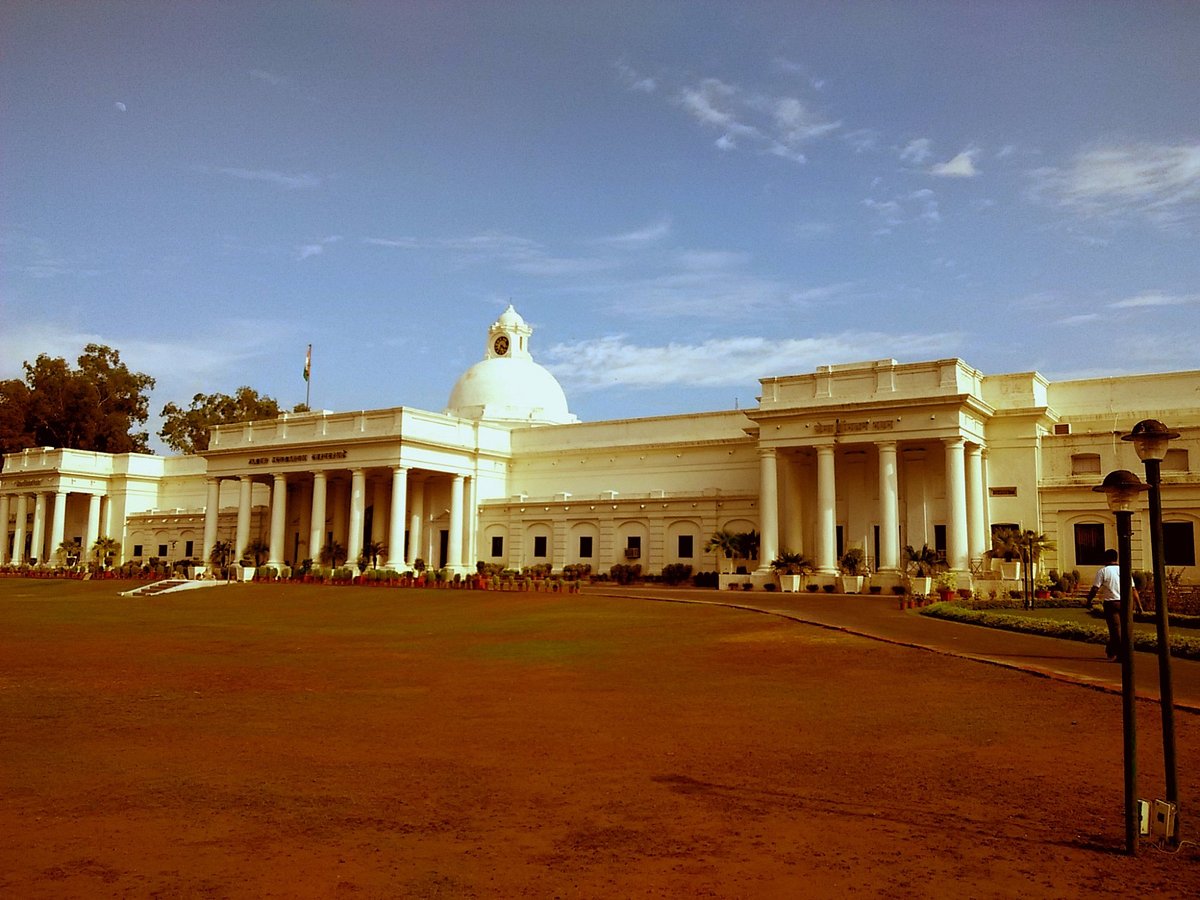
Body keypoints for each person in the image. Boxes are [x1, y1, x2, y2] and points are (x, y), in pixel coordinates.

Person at [1086, 548, 1139, 660]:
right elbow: (1133, 589)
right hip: (1126, 603)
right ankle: (1112, 650)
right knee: (1124, 629)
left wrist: (1089, 600)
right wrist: (1139, 605)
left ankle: (1120, 654)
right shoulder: (1124, 570)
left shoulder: (1103, 572)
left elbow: (1095, 588)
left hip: (1111, 603)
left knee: (1115, 630)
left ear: (1105, 559)